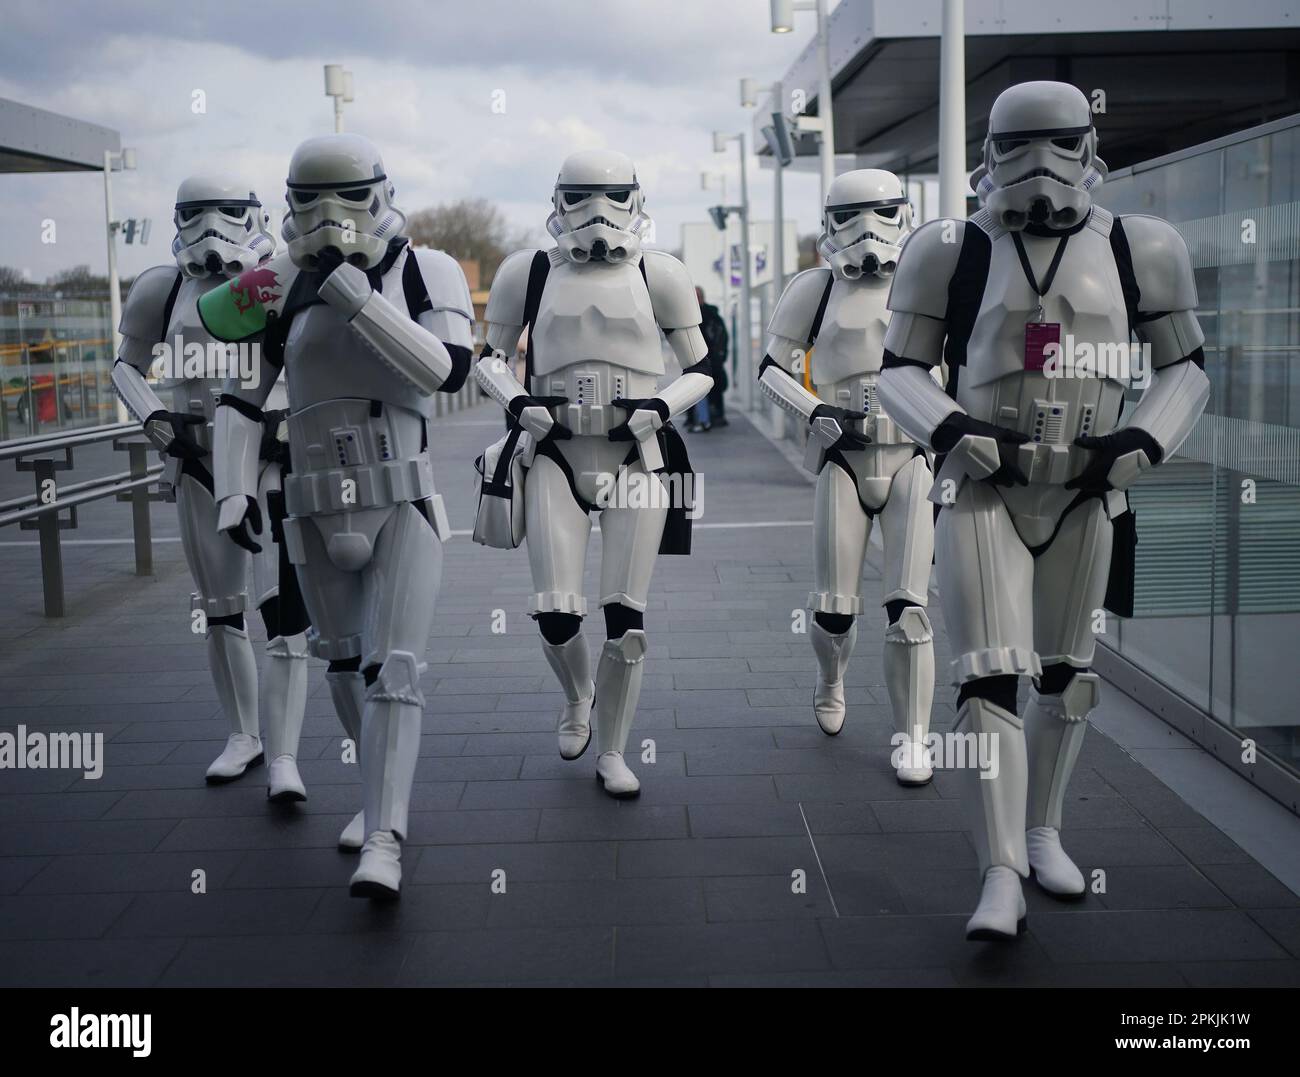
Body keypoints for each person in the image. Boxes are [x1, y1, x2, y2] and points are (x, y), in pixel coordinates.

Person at [879, 81, 1210, 940]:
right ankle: (999, 871)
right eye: (1017, 146)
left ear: (1090, 147)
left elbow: (1186, 365)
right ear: (988, 155)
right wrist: (950, 425)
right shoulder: (948, 250)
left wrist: (1144, 440)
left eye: (1058, 144)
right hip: (986, 485)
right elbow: (898, 368)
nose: (1039, 167)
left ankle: (1043, 830)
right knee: (988, 674)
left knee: (1069, 677)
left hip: (1088, 487)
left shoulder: (1144, 247)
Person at [204, 134, 475, 898]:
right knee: (343, 660)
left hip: (401, 495)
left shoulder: (425, 269)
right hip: (314, 499)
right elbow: (243, 399)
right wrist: (233, 490)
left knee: (397, 668)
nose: (329, 216)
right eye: (309, 199)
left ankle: (385, 836)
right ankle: (374, 792)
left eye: (348, 197)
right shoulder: (274, 281)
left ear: (381, 193)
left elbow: (445, 368)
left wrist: (358, 300)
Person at [475, 149, 712, 798]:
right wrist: (518, 402)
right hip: (556, 453)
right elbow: (489, 360)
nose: (596, 214)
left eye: (609, 197)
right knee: (555, 609)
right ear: (557, 200)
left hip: (636, 457)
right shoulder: (527, 272)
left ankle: (614, 747)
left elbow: (701, 367)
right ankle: (578, 695)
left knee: (625, 619)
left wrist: (661, 405)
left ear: (634, 199)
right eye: (580, 197)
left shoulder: (658, 274)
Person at [111, 177, 311, 801]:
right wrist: (151, 417)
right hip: (195, 457)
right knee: (222, 608)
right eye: (194, 212)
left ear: (253, 215)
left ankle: (284, 754)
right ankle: (243, 734)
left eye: (224, 211)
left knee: (281, 610)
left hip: (270, 456)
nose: (209, 225)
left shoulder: (278, 278)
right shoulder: (161, 288)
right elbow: (125, 363)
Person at [758, 170, 936, 786]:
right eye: (852, 215)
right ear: (830, 221)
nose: (867, 231)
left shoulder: (930, 281)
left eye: (881, 213)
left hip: (911, 454)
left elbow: (967, 361)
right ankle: (831, 679)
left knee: (909, 607)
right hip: (842, 456)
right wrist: (818, 411)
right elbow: (771, 369)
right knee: (835, 608)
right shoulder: (815, 289)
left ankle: (914, 736)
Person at [686, 287, 729, 432]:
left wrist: (720, 356)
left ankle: (707, 419)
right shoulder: (690, 315)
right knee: (697, 391)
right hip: (697, 360)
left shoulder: (710, 315)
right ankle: (701, 419)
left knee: (707, 391)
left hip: (710, 360)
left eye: (696, 297)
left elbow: (721, 337)